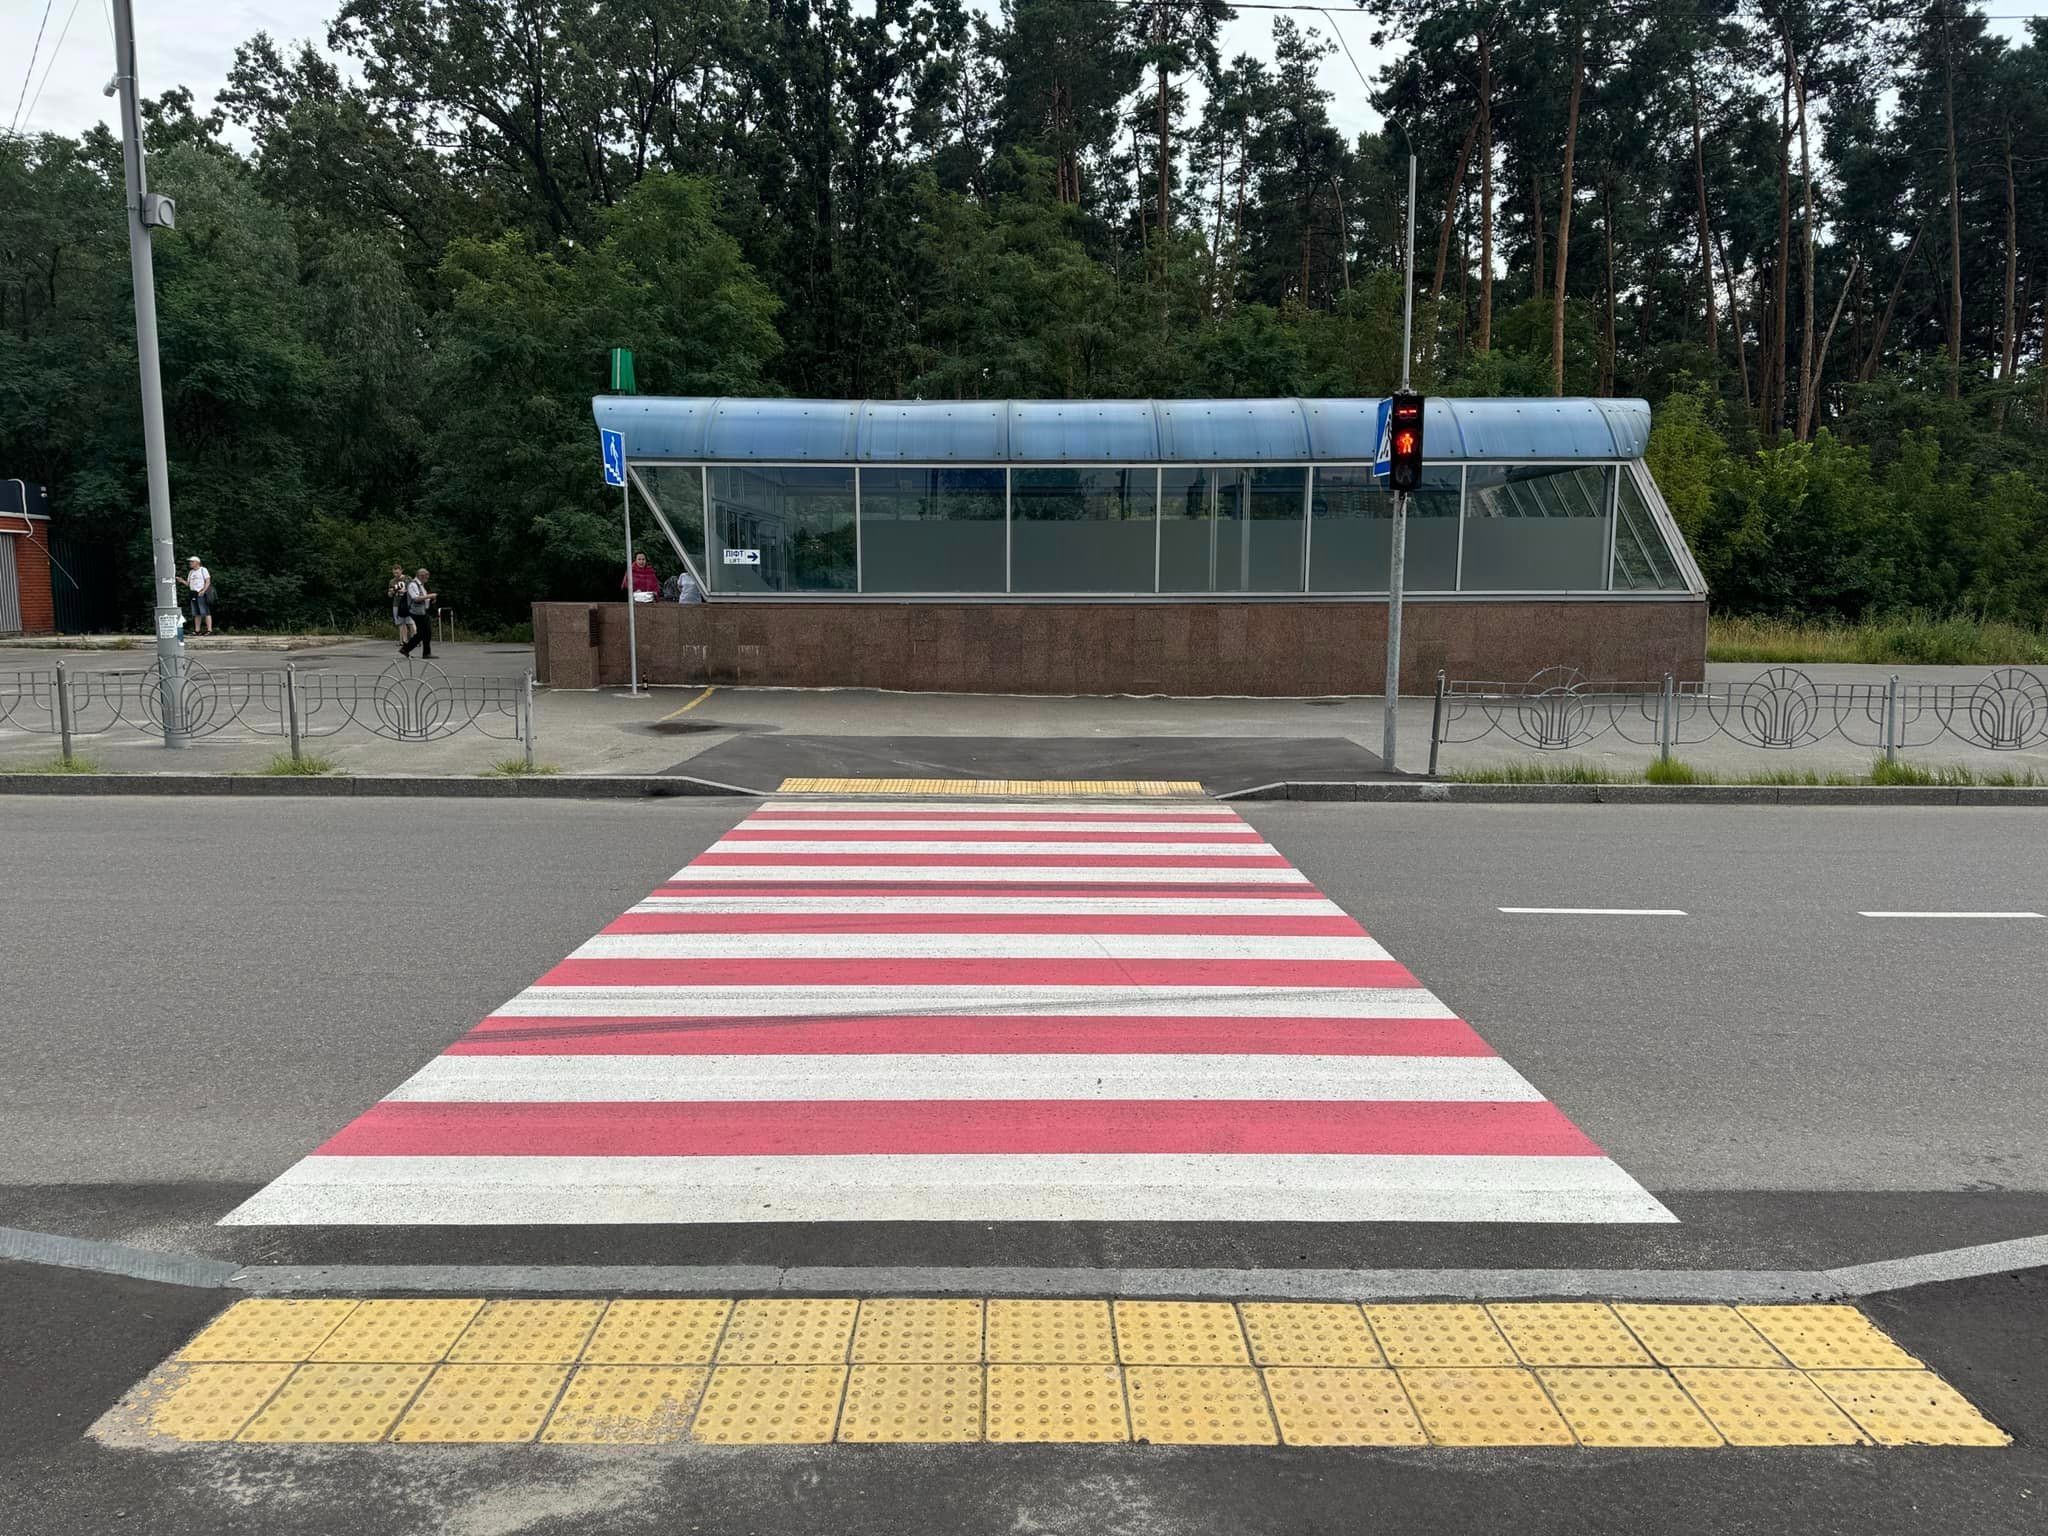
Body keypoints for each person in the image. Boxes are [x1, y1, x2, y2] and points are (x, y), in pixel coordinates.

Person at [397, 568, 437, 659]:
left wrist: (430, 600)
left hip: (422, 611)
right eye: (426, 577)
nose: (427, 579)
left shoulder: (420, 585)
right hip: (416, 612)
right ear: (421, 576)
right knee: (424, 632)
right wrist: (431, 595)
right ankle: (421, 652)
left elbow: (423, 597)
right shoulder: (413, 585)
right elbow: (416, 598)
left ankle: (407, 649)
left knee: (425, 632)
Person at [185, 555, 214, 635]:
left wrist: (203, 591)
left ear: (197, 562)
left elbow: (208, 581)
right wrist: (182, 581)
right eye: (190, 562)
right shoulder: (191, 572)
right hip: (193, 593)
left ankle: (209, 630)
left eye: (192, 562)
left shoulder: (203, 569)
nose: (190, 563)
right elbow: (188, 584)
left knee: (205, 611)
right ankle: (197, 630)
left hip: (201, 592)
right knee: (196, 612)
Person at [387, 564, 415, 646]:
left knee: (410, 622)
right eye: (394, 573)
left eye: (397, 573)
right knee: (400, 622)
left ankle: (415, 640)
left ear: (401, 571)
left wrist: (405, 591)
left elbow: (414, 589)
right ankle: (404, 641)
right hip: (397, 603)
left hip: (407, 603)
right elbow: (389, 595)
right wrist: (391, 592)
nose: (396, 575)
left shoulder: (408, 579)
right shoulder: (392, 581)